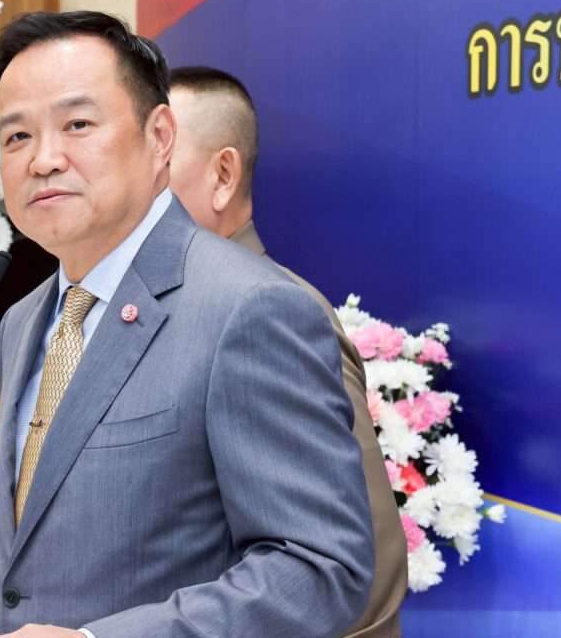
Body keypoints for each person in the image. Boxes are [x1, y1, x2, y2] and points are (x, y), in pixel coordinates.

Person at [0, 11, 372, 638]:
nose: (43, 160)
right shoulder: (24, 320)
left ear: (159, 135)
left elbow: (319, 570)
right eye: (17, 136)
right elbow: (49, 554)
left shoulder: (248, 307)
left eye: (77, 124)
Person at [167, 66, 407, 637]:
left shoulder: (274, 312)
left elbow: (365, 567)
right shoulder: (158, 310)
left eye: (160, 158)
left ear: (223, 174)